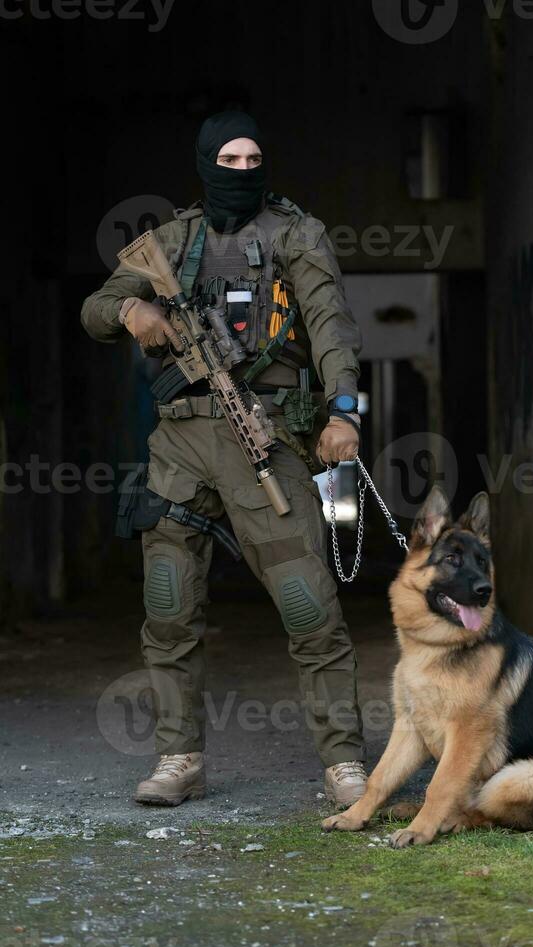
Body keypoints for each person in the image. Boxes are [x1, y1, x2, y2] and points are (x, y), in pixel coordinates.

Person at [81, 111, 368, 808]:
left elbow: (330, 324)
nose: (242, 171)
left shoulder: (295, 233)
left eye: (253, 159)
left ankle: (344, 764)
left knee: (309, 607)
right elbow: (95, 307)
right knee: (170, 607)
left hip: (264, 441)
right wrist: (133, 316)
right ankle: (179, 759)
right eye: (229, 160)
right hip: (178, 447)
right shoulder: (171, 240)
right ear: (206, 163)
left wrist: (343, 410)